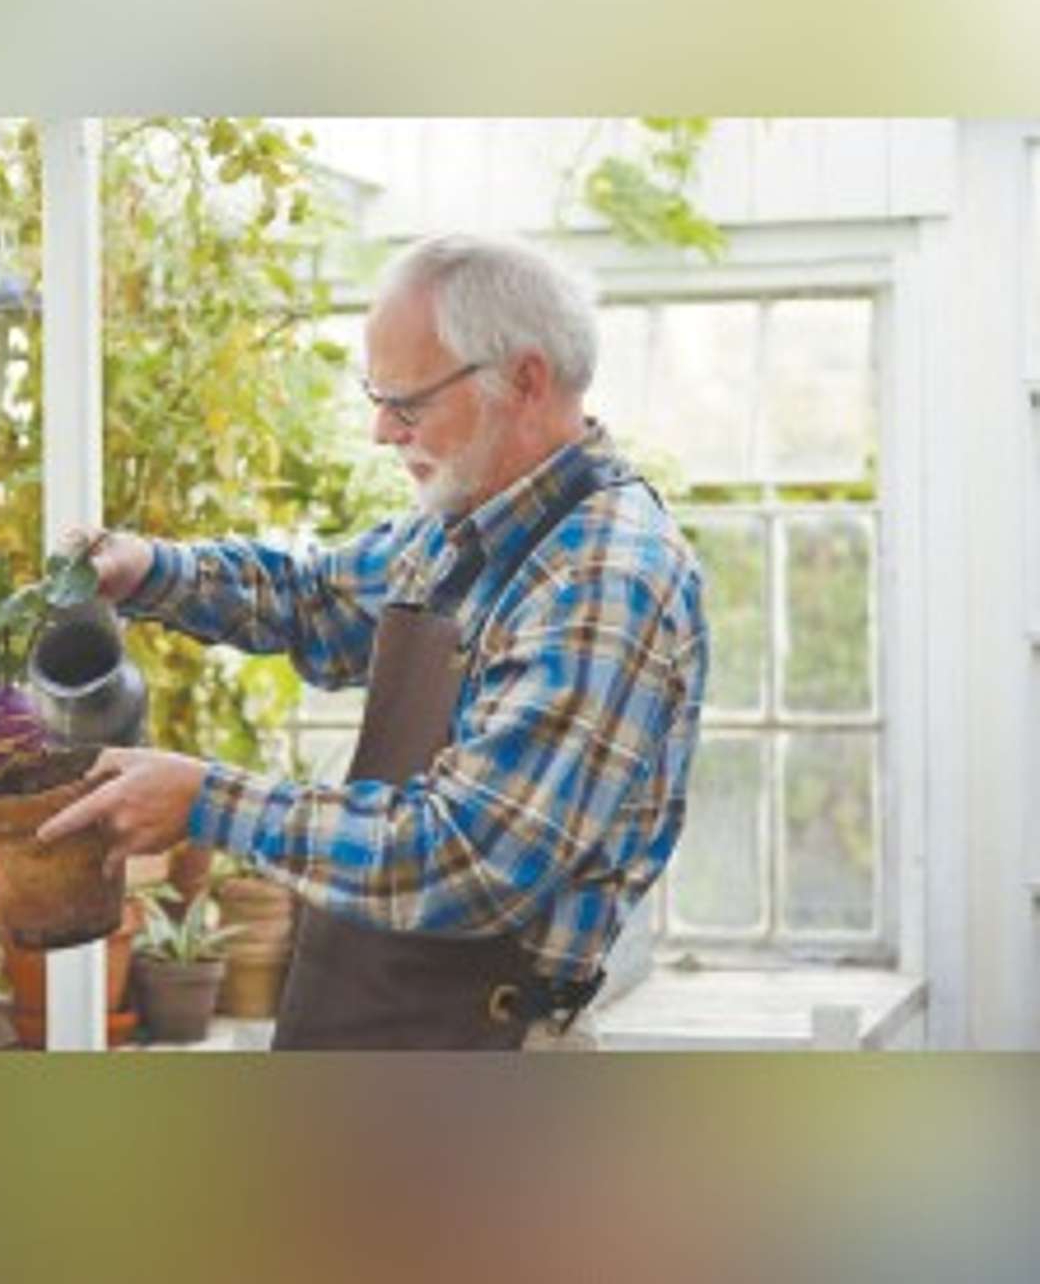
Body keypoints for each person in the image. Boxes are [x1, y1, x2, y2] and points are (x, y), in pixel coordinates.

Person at [38, 233, 708, 1050]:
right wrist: (148, 571)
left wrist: (207, 801)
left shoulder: (602, 579)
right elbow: (316, 599)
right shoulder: (463, 525)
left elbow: (466, 860)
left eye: (408, 402)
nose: (379, 430)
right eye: (375, 395)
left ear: (525, 379)